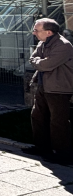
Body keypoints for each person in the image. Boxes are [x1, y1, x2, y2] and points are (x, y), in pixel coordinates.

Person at [28, 18, 73, 162]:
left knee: (58, 121)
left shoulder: (63, 46)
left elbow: (46, 65)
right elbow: (33, 58)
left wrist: (39, 62)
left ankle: (62, 153)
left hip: (58, 89)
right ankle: (41, 147)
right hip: (44, 86)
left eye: (36, 30)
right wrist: (39, 61)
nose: (34, 33)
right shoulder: (43, 43)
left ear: (48, 32)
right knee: (37, 116)